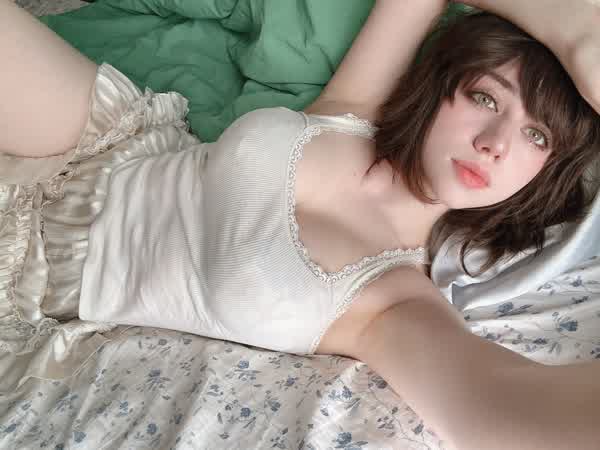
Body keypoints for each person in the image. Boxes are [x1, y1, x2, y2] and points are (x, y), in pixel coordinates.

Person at [1, 0, 599, 448]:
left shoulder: (395, 301)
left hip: (42, 277)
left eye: (536, 135)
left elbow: (505, 407)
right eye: (486, 98)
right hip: (104, 140)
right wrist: (576, 36)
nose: (495, 142)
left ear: (546, 172)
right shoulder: (354, 108)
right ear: (442, 87)